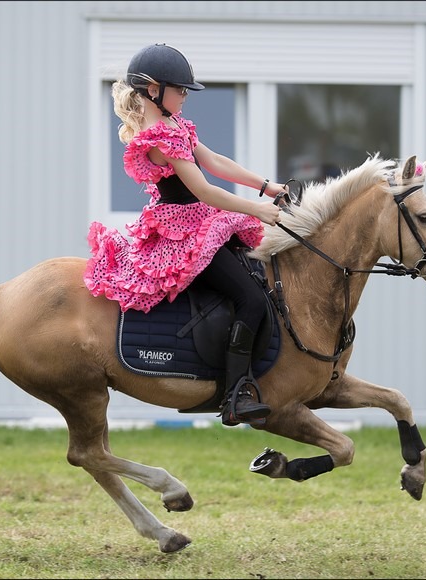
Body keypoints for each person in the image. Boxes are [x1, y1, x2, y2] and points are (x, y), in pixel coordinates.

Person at [84, 43, 286, 426]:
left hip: (200, 221)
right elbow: (204, 190)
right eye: (180, 89)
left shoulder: (175, 125)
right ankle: (235, 396)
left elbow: (215, 162)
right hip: (181, 235)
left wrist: (265, 186)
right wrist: (256, 209)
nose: (185, 96)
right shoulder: (159, 137)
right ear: (153, 90)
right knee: (250, 299)